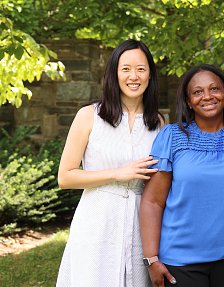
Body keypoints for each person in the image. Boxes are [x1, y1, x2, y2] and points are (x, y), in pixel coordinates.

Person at [56, 39, 163, 287]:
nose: (133, 76)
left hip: (140, 225)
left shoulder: (157, 122)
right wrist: (117, 173)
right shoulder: (89, 116)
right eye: (125, 69)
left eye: (141, 69)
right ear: (114, 74)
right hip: (97, 220)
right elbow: (66, 176)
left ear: (150, 75)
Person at [140, 64, 224, 287]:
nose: (207, 96)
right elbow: (153, 201)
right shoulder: (172, 137)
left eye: (214, 89)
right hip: (181, 260)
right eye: (197, 92)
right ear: (187, 101)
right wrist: (151, 258)